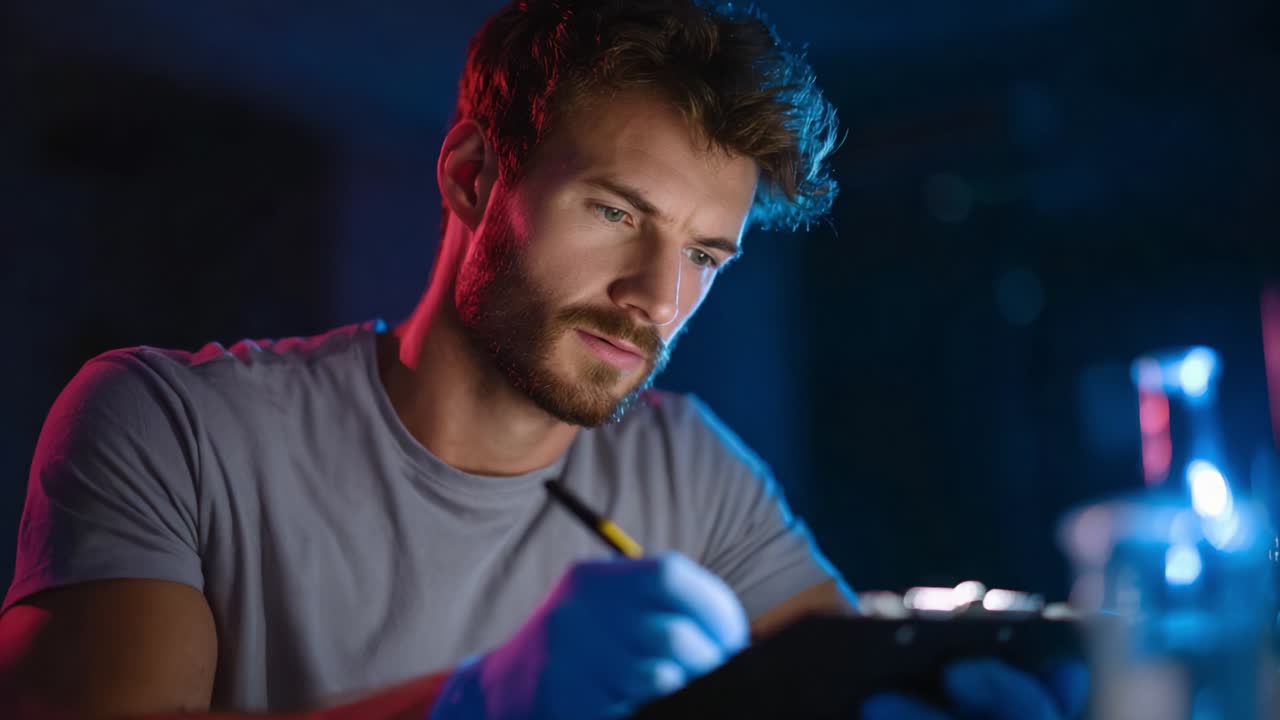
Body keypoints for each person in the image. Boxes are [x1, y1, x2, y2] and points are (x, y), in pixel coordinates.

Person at [0, 1, 1081, 719]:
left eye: (702, 255)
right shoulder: (169, 427)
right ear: (472, 177)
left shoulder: (689, 471)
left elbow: (839, 688)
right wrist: (478, 701)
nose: (656, 298)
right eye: (615, 211)